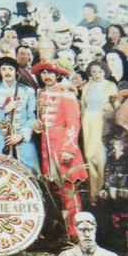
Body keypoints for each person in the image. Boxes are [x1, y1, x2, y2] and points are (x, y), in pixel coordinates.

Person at [31, 62, 88, 237]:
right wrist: (37, 126)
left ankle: (76, 232)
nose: (46, 76)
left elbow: (74, 124)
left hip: (63, 145)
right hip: (47, 148)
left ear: (58, 75)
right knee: (56, 189)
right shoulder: (41, 94)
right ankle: (65, 231)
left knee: (69, 189)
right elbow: (43, 120)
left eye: (50, 73)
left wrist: (68, 149)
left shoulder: (67, 94)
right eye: (43, 73)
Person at [0, 56, 39, 173]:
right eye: (3, 69)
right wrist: (4, 110)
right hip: (0, 139)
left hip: (23, 140)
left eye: (10, 69)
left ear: (16, 71)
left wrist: (21, 135)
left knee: (28, 173)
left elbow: (32, 116)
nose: (7, 72)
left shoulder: (28, 91)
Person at [79, 59, 119, 203]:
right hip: (88, 122)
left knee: (101, 157)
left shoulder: (110, 86)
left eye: (100, 72)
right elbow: (83, 106)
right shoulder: (87, 86)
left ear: (105, 72)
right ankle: (93, 195)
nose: (97, 75)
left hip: (102, 122)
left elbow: (114, 107)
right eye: (93, 72)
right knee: (89, 155)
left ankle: (103, 194)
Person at [57, 212, 123, 256]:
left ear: (95, 229)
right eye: (81, 230)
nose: (87, 235)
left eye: (90, 229)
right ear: (75, 230)